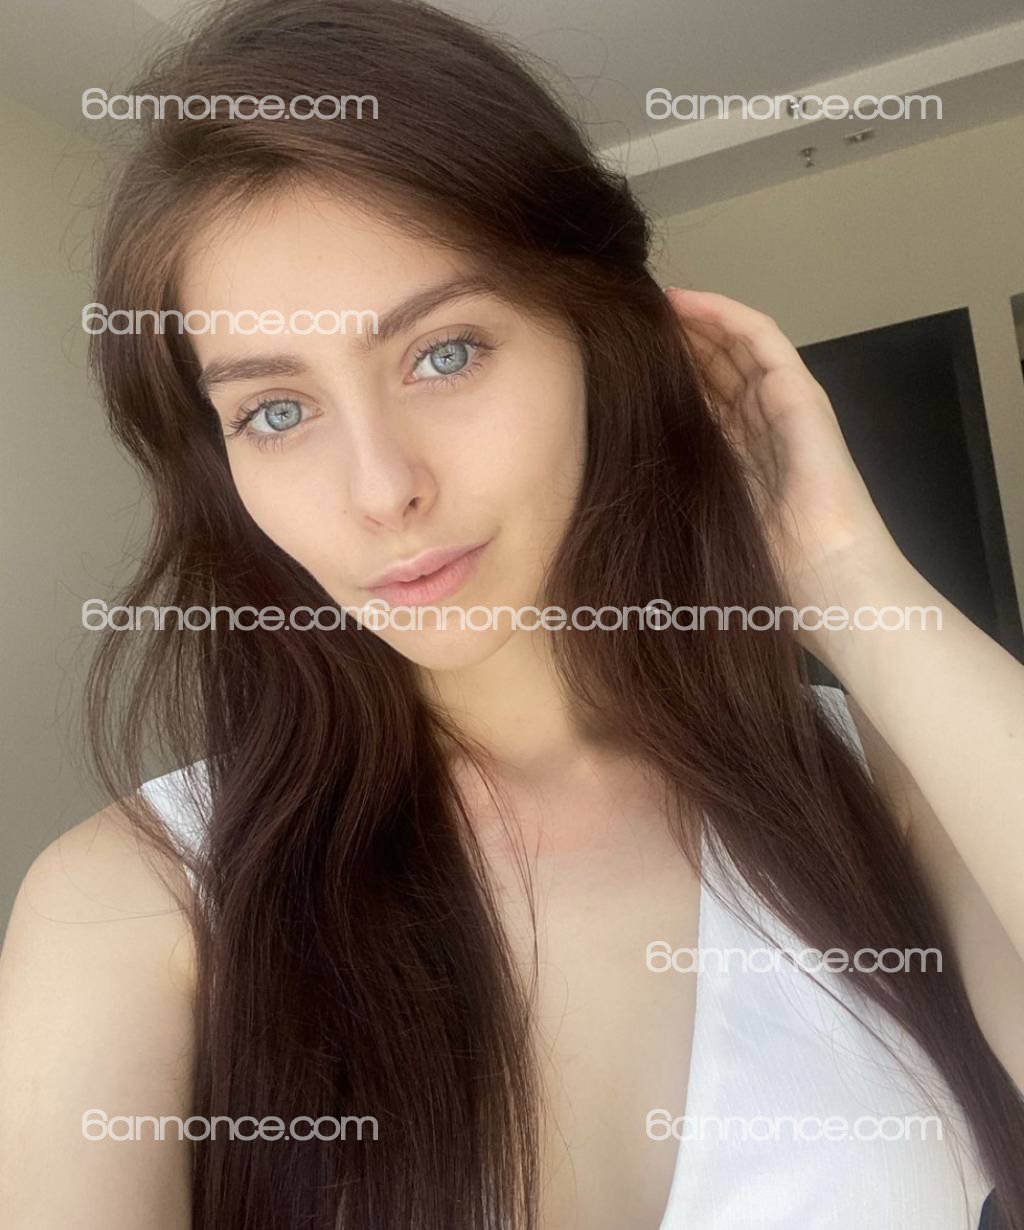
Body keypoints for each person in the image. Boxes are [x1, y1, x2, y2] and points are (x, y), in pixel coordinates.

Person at [1, 1, 1023, 1227]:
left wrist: (847, 582)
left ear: (597, 341)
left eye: (444, 353)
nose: (381, 490)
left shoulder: (882, 794)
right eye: (275, 411)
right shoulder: (139, 899)